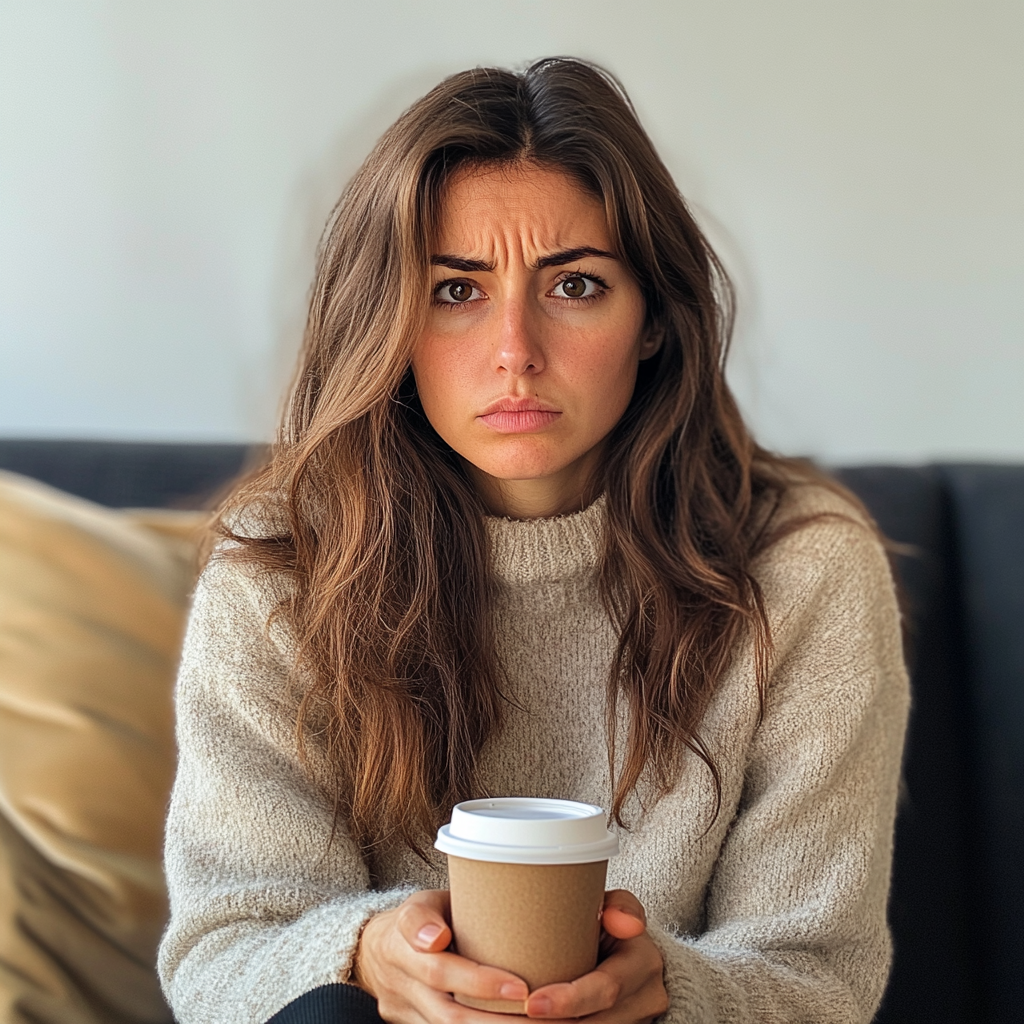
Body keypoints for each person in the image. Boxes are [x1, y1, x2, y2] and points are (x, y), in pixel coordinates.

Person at [157, 58, 909, 1024]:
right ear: (388, 321)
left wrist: (673, 990)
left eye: (577, 285)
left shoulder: (802, 568)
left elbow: (820, 974)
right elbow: (222, 956)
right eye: (456, 292)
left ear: (654, 323)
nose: (515, 349)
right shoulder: (279, 573)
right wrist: (371, 957)